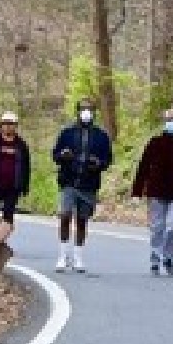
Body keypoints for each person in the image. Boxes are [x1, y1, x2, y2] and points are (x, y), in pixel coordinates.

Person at [131, 107, 173, 276]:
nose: (172, 123)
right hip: (157, 191)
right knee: (157, 227)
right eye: (170, 120)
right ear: (164, 122)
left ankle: (168, 256)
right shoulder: (155, 143)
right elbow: (143, 168)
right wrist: (137, 192)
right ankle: (155, 257)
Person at [51, 98, 112, 272]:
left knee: (82, 220)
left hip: (89, 183)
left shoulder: (101, 136)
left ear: (94, 112)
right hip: (68, 180)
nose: (86, 112)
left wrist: (98, 163)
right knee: (65, 215)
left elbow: (108, 159)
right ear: (77, 111)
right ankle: (62, 255)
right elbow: (55, 155)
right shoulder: (67, 132)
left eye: (90, 109)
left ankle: (78, 256)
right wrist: (63, 155)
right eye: (83, 109)